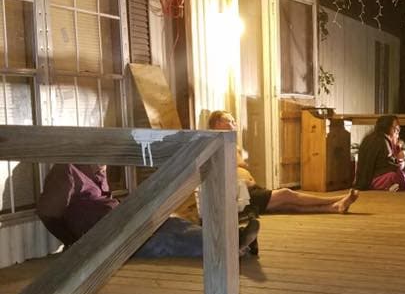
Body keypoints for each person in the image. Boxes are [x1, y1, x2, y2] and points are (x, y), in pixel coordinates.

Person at [37, 162, 259, 258]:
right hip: (105, 236)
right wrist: (76, 243)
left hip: (123, 222)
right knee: (161, 242)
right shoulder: (67, 170)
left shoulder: (97, 171)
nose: (106, 165)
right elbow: (47, 211)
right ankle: (229, 246)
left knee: (172, 223)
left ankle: (233, 239)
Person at [207, 110, 358, 213]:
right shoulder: (214, 145)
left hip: (249, 190)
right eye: (230, 121)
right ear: (218, 124)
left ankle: (334, 207)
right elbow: (218, 172)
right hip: (240, 194)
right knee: (286, 194)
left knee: (287, 205)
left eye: (234, 121)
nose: (235, 124)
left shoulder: (231, 144)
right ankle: (336, 199)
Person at [354, 115, 405, 191]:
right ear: (387, 127)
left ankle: (395, 186)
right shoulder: (383, 141)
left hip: (367, 179)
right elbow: (389, 166)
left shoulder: (371, 137)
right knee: (398, 175)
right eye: (396, 129)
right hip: (373, 180)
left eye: (398, 130)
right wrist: (401, 161)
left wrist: (399, 150)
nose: (397, 132)